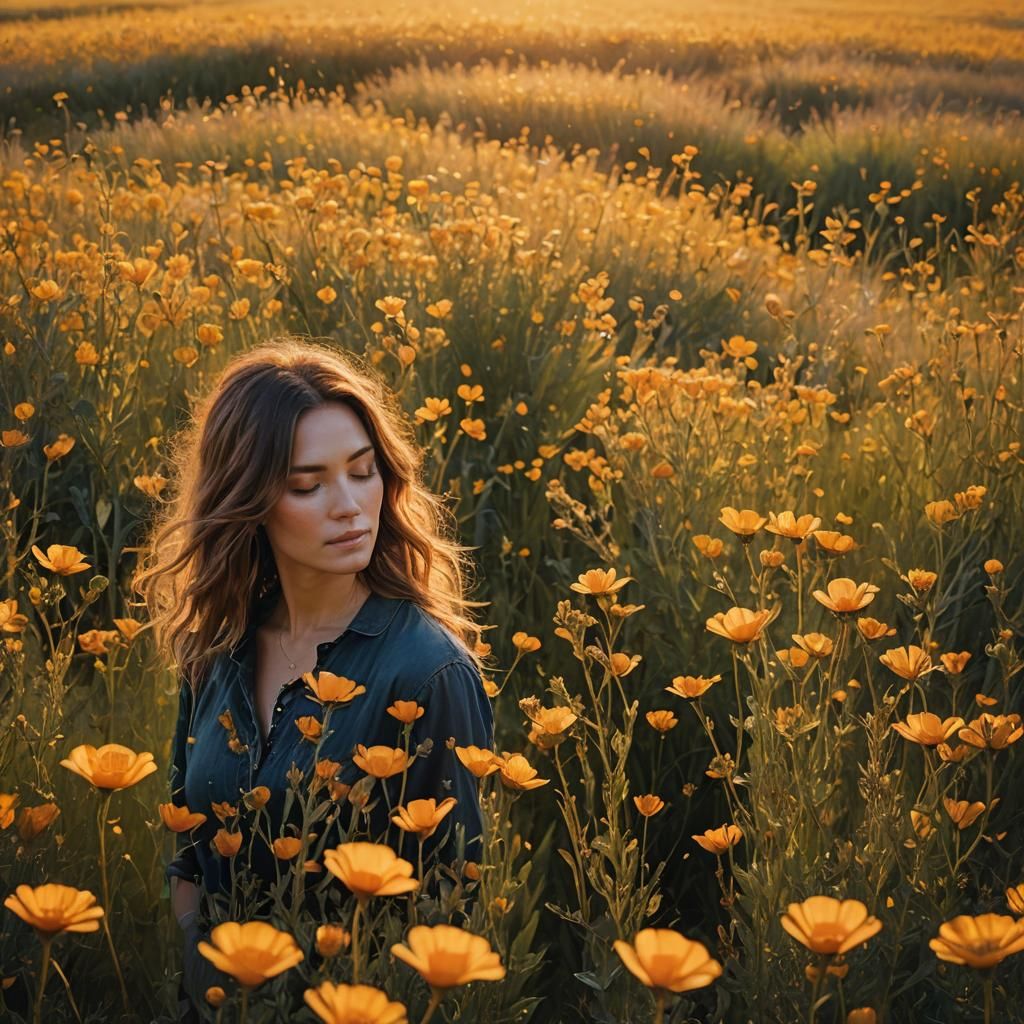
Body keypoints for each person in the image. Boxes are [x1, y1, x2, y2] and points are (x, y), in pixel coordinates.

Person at [132, 338, 494, 1021]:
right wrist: (198, 968)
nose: (350, 506)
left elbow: (453, 915)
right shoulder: (217, 649)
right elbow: (189, 848)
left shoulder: (428, 672)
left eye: (363, 472)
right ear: (247, 499)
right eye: (307, 485)